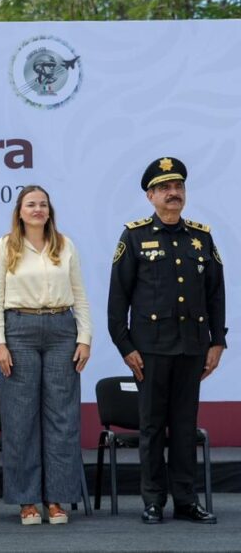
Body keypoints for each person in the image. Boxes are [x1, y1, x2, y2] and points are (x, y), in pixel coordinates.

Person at [107, 157, 225, 525]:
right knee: (153, 426)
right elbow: (117, 300)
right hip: (151, 349)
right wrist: (126, 347)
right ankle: (153, 499)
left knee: (185, 425)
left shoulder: (201, 237)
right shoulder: (134, 236)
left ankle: (186, 500)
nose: (174, 194)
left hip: (192, 346)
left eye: (178, 187)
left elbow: (216, 294)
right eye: (165, 189)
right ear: (150, 196)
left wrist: (217, 342)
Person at [0, 185, 92, 526]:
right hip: (19, 329)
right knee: (20, 419)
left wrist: (85, 337)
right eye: (30, 204)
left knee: (63, 419)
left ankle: (57, 499)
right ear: (19, 211)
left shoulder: (65, 245)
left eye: (43, 204)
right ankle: (27, 501)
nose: (37, 209)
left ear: (50, 210)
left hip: (63, 330)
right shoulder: (5, 246)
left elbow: (80, 294)